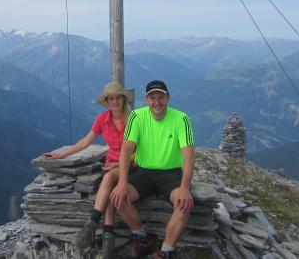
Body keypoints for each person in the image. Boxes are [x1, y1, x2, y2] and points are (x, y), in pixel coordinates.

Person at [41, 81, 133, 258]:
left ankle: (92, 225)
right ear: (107, 102)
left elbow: (142, 148)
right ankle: (108, 241)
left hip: (132, 164)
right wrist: (62, 155)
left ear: (123, 100)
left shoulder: (133, 119)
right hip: (112, 164)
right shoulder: (103, 119)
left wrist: (121, 164)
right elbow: (86, 141)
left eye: (117, 98)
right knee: (110, 188)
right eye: (111, 99)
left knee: (106, 180)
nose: (114, 102)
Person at [110, 80, 195, 259]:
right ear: (146, 99)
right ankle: (142, 238)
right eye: (152, 97)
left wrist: (185, 188)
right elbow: (125, 151)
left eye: (161, 97)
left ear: (168, 98)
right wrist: (122, 183)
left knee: (184, 205)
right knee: (118, 198)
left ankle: (166, 251)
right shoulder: (137, 116)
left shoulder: (181, 119)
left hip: (171, 174)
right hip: (144, 172)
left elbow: (188, 156)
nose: (157, 102)